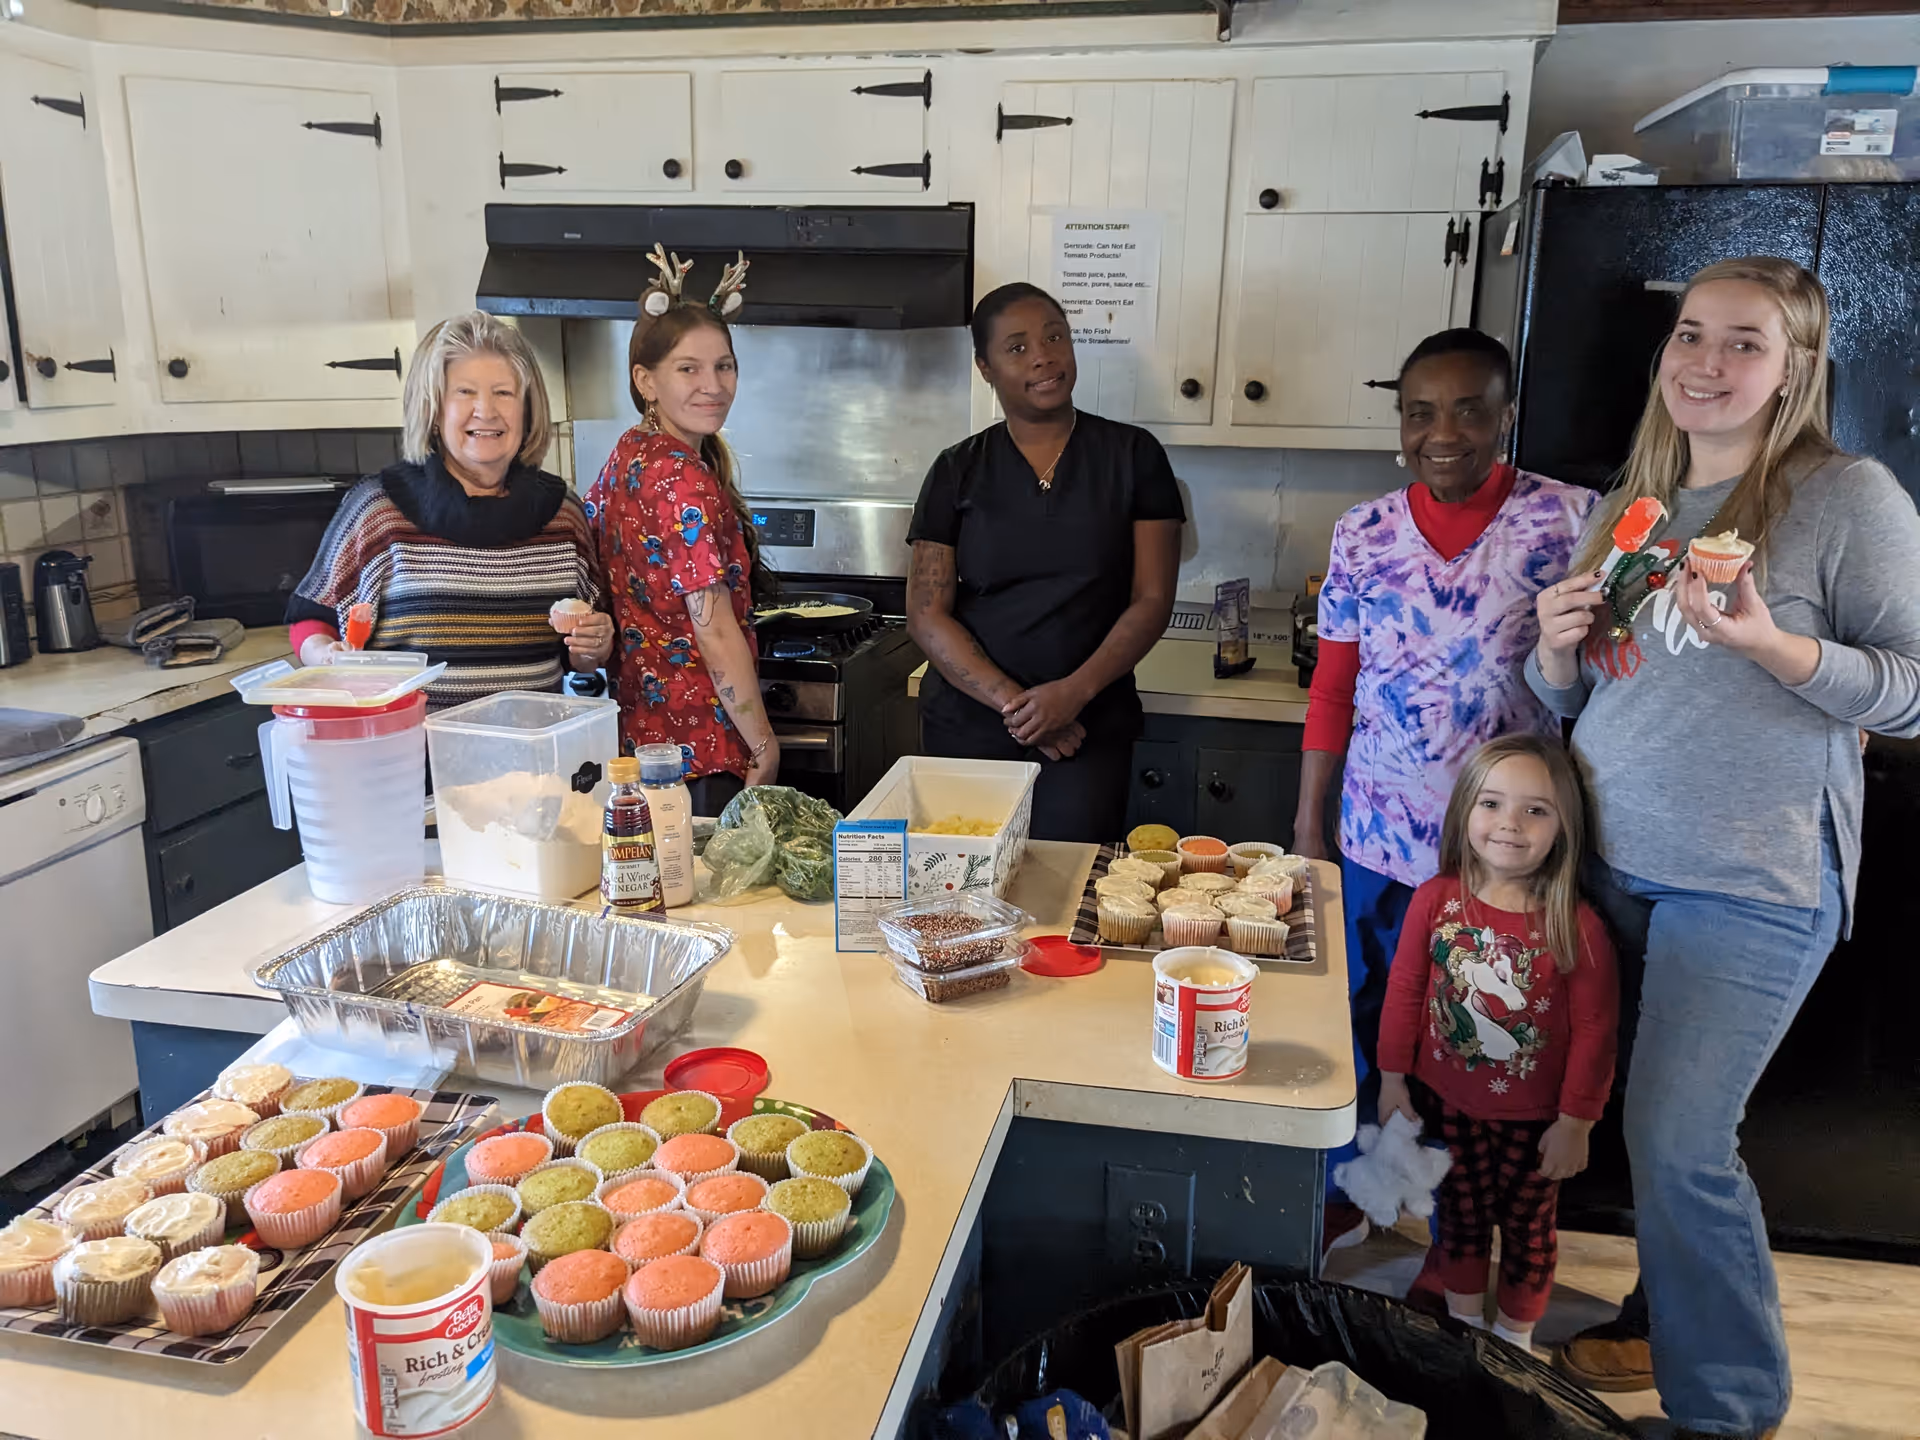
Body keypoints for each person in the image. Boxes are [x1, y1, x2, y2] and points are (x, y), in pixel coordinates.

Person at [1530, 257, 1920, 1438]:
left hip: (1751, 877)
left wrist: (1772, 647)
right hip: (1610, 860)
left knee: (1681, 1138)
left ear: (1796, 368)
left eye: (1743, 343)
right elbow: (1583, 690)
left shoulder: (1849, 500)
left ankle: (1728, 1413)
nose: (1706, 363)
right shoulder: (1637, 499)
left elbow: (1910, 691)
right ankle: (1660, 1323)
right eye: (1691, 335)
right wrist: (1550, 652)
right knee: (1642, 1121)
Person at [1292, 330, 1596, 1250]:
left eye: (1469, 408)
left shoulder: (1571, 521)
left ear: (1506, 416)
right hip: (1376, 833)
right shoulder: (1364, 532)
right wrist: (1310, 823)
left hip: (1503, 847)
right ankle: (1359, 1184)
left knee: (1476, 1026)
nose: (1443, 432)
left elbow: (1599, 678)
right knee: (1355, 1012)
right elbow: (1334, 686)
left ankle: (1468, 1218)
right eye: (1421, 411)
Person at [906, 282, 1183, 842]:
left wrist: (1072, 695)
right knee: (964, 905)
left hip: (1086, 732)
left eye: (1055, 336)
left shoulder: (1134, 458)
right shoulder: (957, 469)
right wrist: (1023, 710)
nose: (1043, 355)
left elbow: (1152, 600)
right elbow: (926, 614)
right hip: (971, 729)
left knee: (1067, 900)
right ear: (985, 367)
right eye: (1017, 347)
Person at [1376, 734, 1618, 1355]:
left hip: (1536, 1123)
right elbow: (1404, 991)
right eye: (1492, 804)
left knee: (1529, 1234)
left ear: (1565, 826)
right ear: (1464, 812)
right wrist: (1392, 1078)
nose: (1510, 824)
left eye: (1536, 810)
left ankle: (1513, 1345)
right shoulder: (1435, 902)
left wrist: (1576, 1122)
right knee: (1458, 1223)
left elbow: (1596, 1031)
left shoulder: (1577, 925)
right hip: (1448, 1108)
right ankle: (1465, 1336)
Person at [288, 312, 612, 708]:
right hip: (410, 759)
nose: (486, 410)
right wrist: (325, 655)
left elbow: (578, 656)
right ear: (434, 410)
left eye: (504, 393)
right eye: (465, 392)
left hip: (530, 760)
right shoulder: (378, 511)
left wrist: (592, 649)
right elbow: (311, 615)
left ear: (527, 410)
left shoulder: (563, 516)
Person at [584, 246, 777, 817]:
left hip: (643, 744)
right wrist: (762, 740)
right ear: (646, 380)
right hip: (704, 746)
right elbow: (712, 624)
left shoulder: (630, 454)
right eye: (688, 369)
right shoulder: (681, 478)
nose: (713, 385)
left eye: (724, 365)